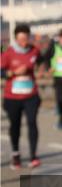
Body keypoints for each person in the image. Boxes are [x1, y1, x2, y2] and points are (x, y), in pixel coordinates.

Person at [2, 24, 44, 170]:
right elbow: (1, 72)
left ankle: (33, 156)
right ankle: (16, 154)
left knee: (32, 122)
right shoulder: (9, 53)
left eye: (25, 39)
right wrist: (13, 73)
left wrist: (41, 70)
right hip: (12, 97)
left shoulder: (34, 51)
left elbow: (41, 61)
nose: (23, 42)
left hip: (31, 95)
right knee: (15, 125)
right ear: (16, 39)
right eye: (20, 39)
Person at [41, 29, 62, 130]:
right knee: (61, 99)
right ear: (59, 39)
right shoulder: (54, 47)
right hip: (59, 78)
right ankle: (61, 120)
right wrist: (48, 68)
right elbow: (46, 58)